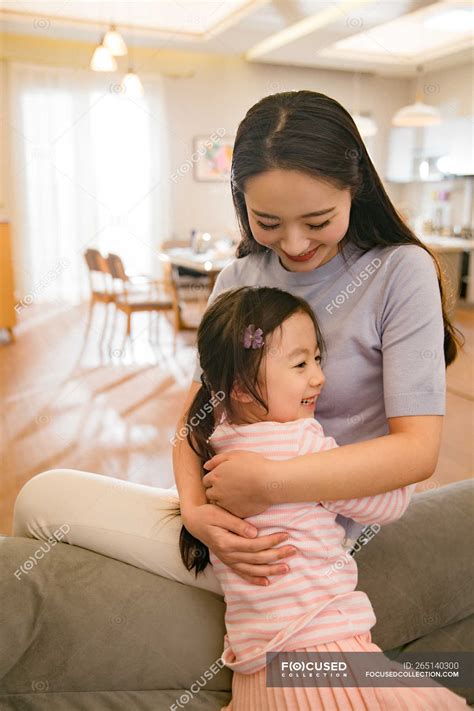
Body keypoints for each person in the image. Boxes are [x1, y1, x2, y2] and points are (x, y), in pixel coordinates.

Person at [12, 91, 463, 620]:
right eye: (267, 222)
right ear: (240, 201)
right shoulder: (238, 279)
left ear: (355, 187)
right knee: (42, 501)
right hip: (229, 516)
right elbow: (197, 415)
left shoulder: (398, 271)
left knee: (42, 501)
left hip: (311, 537)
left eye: (317, 221)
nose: (293, 244)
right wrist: (197, 512)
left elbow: (417, 453)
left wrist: (271, 482)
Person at [175, 284, 466, 710]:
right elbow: (388, 507)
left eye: (316, 359)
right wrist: (400, 462)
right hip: (322, 653)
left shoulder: (217, 442)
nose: (318, 376)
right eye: (299, 364)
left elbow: (184, 428)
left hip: (255, 669)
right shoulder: (300, 443)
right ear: (240, 388)